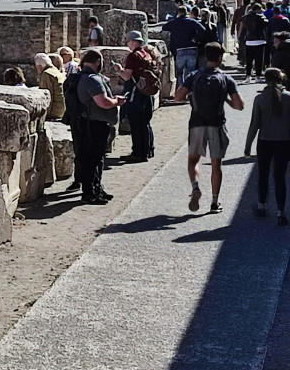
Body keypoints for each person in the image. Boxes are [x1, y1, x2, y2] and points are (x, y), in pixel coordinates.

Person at [174, 42, 244, 214]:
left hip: (197, 123)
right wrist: (225, 99)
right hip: (217, 124)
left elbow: (177, 97)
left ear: (205, 57)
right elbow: (239, 105)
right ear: (220, 58)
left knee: (193, 160)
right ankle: (214, 202)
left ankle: (195, 187)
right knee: (216, 164)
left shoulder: (194, 75)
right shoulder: (226, 79)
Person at [76, 49, 126, 205]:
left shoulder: (84, 77)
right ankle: (89, 192)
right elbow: (103, 102)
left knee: (96, 158)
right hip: (94, 124)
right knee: (92, 159)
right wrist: (117, 101)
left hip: (90, 122)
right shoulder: (92, 80)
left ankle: (96, 188)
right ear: (98, 62)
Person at [244, 68, 290, 226]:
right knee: (280, 178)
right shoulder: (288, 97)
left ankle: (261, 206)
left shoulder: (260, 99)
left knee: (263, 174)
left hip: (265, 141)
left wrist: (248, 146)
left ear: (266, 80)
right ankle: (281, 213)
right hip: (284, 142)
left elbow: (254, 124)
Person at [116, 31, 157, 162]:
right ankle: (149, 149)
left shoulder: (133, 56)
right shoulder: (146, 54)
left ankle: (138, 153)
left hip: (136, 92)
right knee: (145, 122)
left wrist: (118, 70)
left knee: (136, 122)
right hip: (146, 92)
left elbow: (127, 76)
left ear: (132, 41)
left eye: (128, 41)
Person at [161, 6, 208, 85]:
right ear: (187, 13)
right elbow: (203, 29)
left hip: (180, 49)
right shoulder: (191, 21)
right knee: (191, 72)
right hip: (192, 48)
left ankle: (181, 91)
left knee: (180, 73)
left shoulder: (174, 22)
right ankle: (190, 90)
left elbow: (164, 27)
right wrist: (196, 38)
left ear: (178, 12)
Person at [241, 2, 270, 82]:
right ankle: (258, 77)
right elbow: (266, 23)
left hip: (249, 40)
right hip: (259, 40)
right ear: (258, 9)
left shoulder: (246, 17)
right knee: (259, 60)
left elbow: (241, 19)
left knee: (249, 60)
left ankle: (248, 77)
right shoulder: (260, 17)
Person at [34, 53, 66, 120]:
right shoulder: (55, 70)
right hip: (62, 108)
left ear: (39, 66)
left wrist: (44, 115)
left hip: (55, 111)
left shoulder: (46, 74)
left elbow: (47, 96)